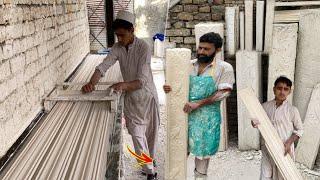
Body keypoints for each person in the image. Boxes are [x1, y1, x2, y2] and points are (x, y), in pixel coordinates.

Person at [81, 10, 159, 180]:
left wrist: (122, 85)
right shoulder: (117, 48)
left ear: (132, 30)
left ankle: (151, 161)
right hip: (132, 99)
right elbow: (104, 65)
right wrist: (91, 83)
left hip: (147, 96)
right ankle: (149, 172)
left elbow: (142, 80)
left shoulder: (143, 48)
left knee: (151, 134)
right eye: (117, 36)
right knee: (137, 136)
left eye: (122, 35)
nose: (119, 39)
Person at [163, 32, 235, 179]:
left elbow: (224, 92)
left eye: (206, 49)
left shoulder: (224, 68)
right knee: (178, 153)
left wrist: (198, 103)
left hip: (207, 120)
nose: (201, 52)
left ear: (217, 50)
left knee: (202, 159)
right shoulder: (187, 65)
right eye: (200, 48)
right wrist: (169, 88)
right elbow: (177, 87)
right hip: (185, 115)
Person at [251, 76, 303, 180]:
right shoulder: (264, 107)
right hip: (267, 148)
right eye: (279, 88)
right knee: (265, 176)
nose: (282, 92)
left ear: (289, 92)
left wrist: (289, 142)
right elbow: (257, 123)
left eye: (286, 89)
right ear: (274, 89)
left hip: (284, 149)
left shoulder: (292, 110)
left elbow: (300, 130)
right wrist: (253, 123)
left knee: (283, 176)